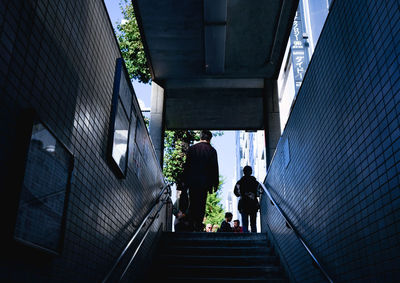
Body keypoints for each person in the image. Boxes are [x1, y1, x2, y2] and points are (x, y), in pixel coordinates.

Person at [182, 130, 219, 232]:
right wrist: (214, 184)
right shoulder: (212, 151)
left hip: (192, 182)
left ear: (200, 137)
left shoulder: (192, 149)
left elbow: (187, 166)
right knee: (201, 204)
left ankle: (191, 224)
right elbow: (214, 168)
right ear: (210, 138)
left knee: (193, 202)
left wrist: (184, 182)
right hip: (204, 183)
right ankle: (198, 224)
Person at [234, 166, 261, 233]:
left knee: (245, 223)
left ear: (244, 172)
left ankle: (245, 235)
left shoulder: (240, 182)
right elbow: (259, 192)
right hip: (253, 204)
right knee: (253, 223)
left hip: (243, 204)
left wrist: (243, 194)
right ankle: (254, 236)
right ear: (251, 172)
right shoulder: (255, 182)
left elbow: (236, 193)